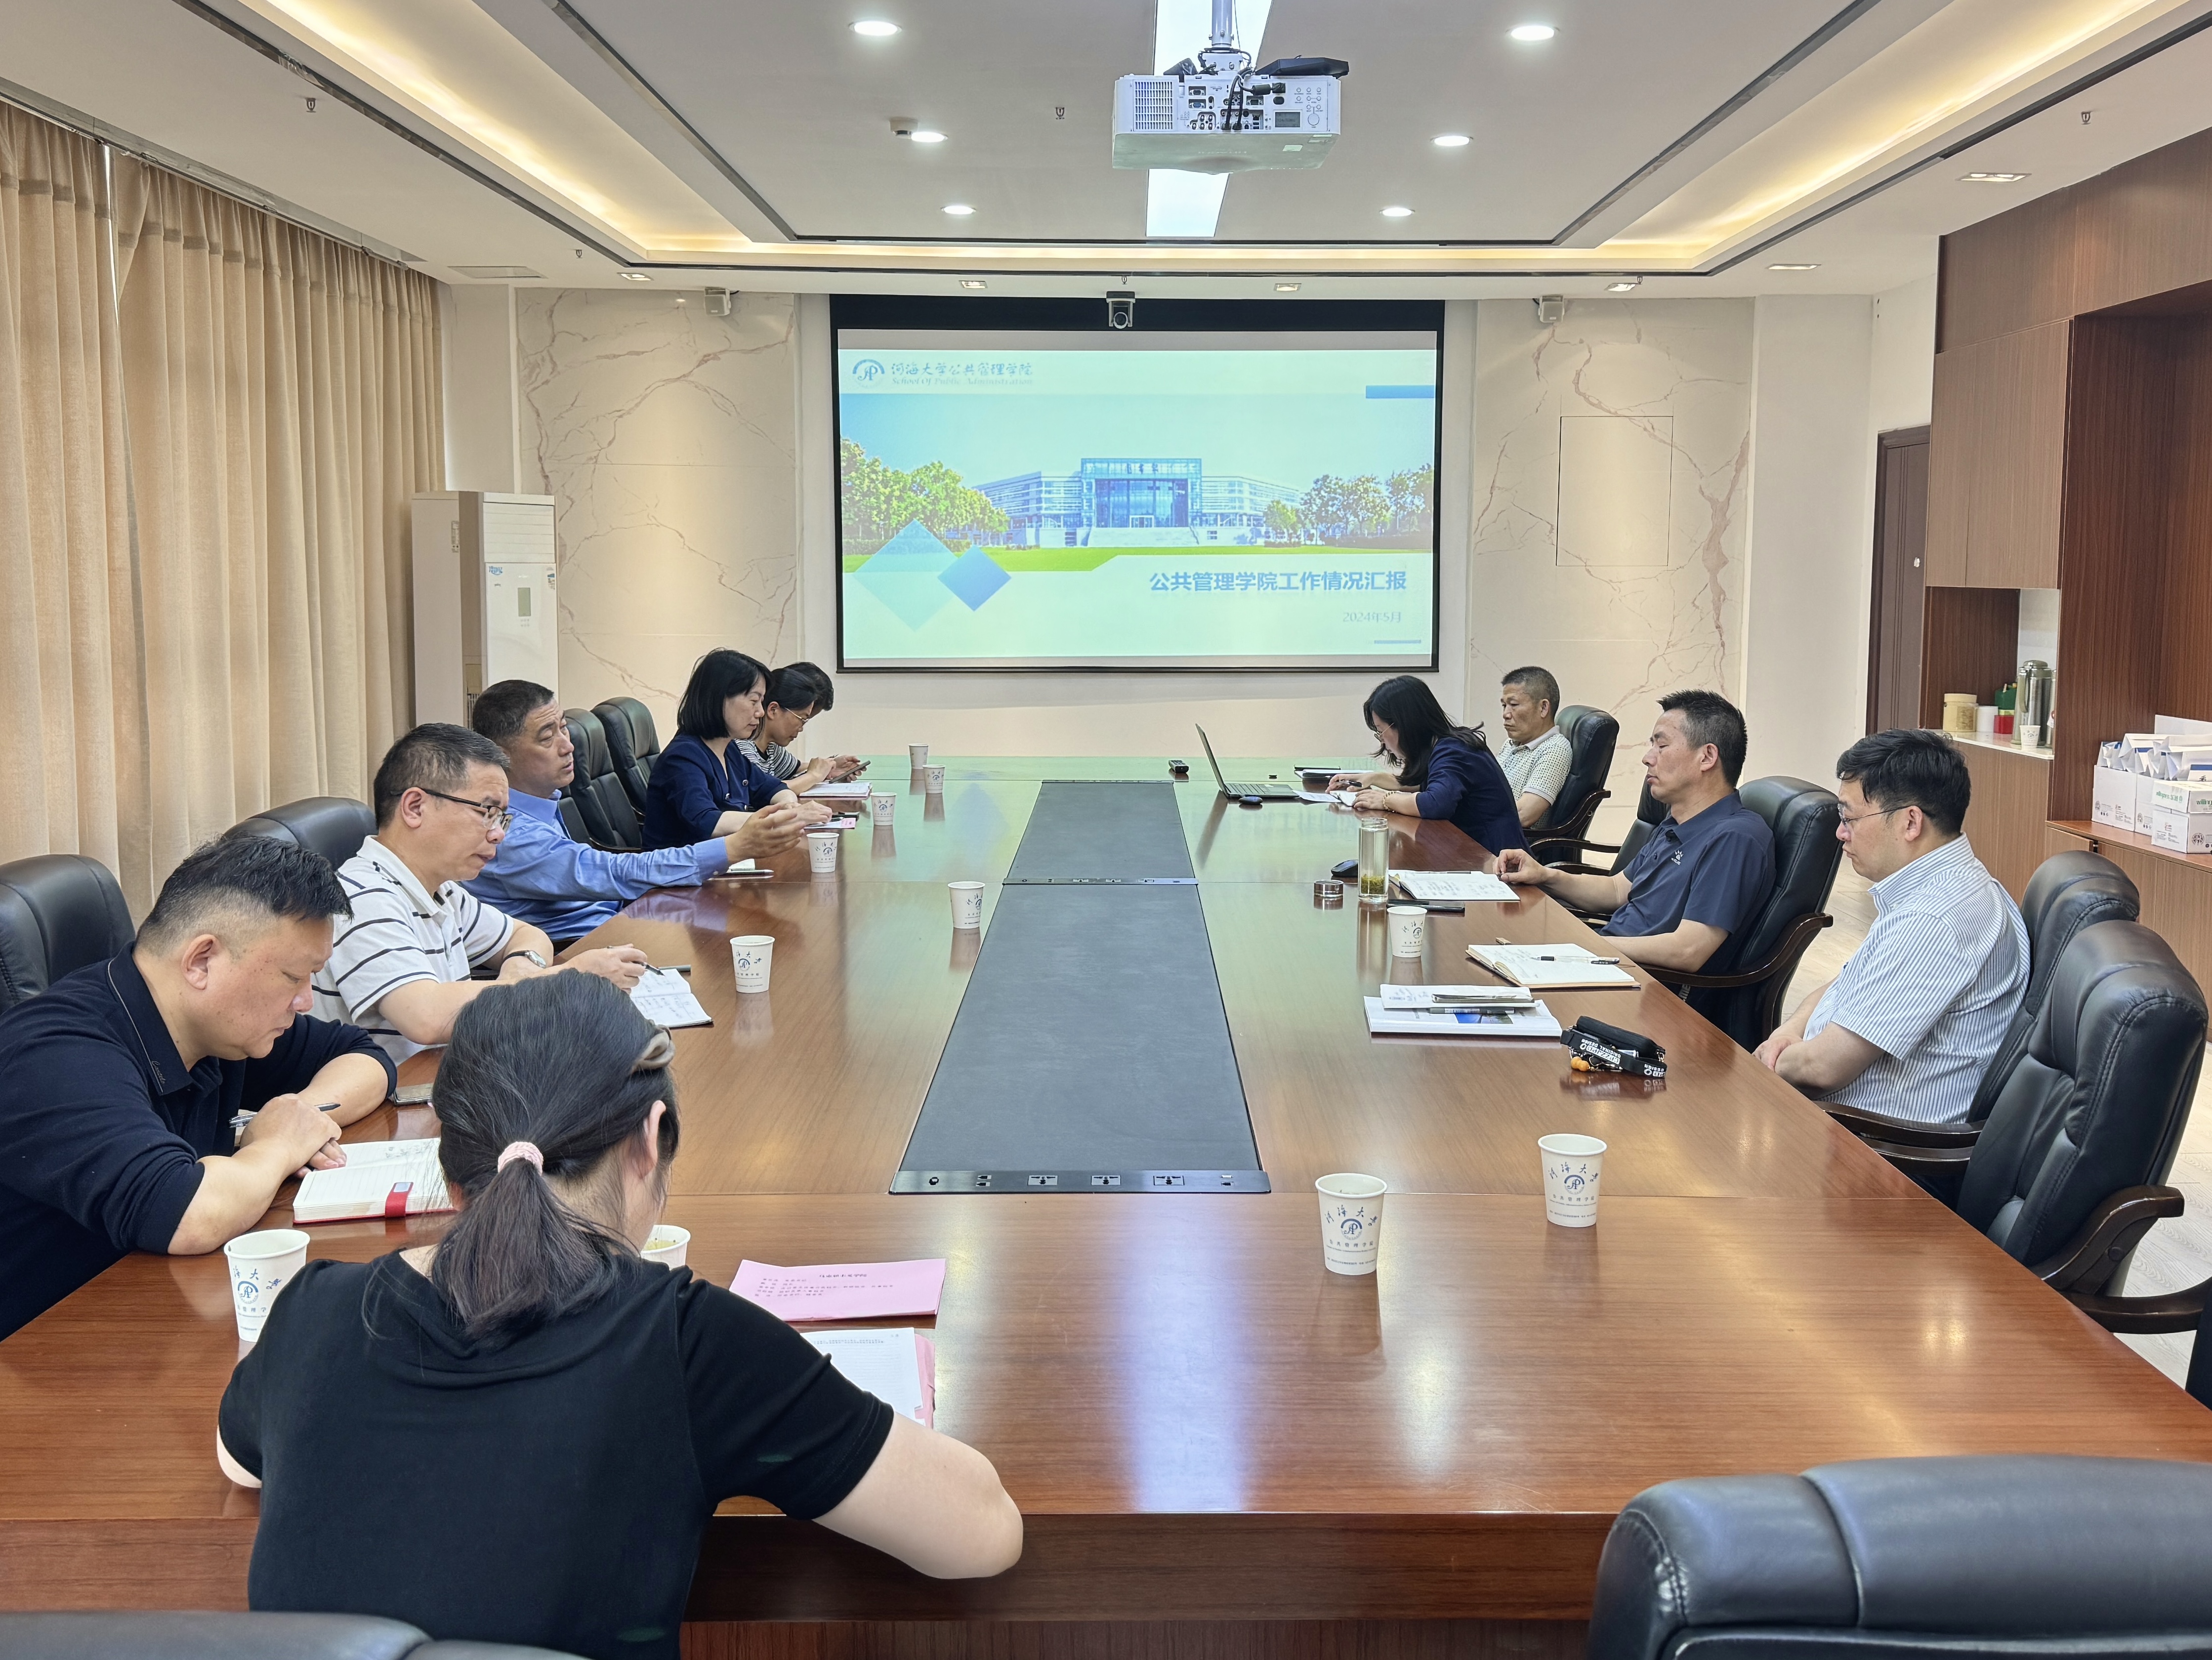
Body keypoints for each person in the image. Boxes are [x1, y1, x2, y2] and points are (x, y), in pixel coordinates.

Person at [218, 973, 1022, 1659]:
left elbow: (241, 1460)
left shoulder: (315, 1310)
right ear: (650, 1138)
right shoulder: (689, 1341)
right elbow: (981, 1536)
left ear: (451, 1169)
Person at [0, 837, 395, 1339]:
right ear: (202, 961)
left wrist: (301, 1117)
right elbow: (187, 1214)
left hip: (152, 1311)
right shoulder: (55, 1054)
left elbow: (365, 1058)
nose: (304, 1001)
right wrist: (278, 1146)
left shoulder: (217, 1026)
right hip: (43, 1353)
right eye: (293, 977)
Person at [313, 723, 647, 1065]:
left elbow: (527, 935)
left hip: (454, 1070)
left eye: (503, 818)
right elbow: (426, 1018)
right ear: (415, 807)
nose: (498, 835)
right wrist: (569, 979)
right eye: (487, 812)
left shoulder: (440, 889)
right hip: (402, 1092)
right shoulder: (363, 896)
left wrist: (521, 973)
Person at [1756, 729, 2026, 1123]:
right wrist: (1787, 1034)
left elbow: (1821, 1069)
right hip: (1836, 1120)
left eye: (1849, 818)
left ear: (1910, 822)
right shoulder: (1939, 886)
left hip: (1864, 1143)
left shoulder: (1934, 919)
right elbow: (1841, 985)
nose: (1840, 832)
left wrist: (1771, 1059)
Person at [465, 680, 802, 948]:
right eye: (547, 738)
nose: (568, 746)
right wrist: (734, 847)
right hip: (577, 950)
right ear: (500, 755)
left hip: (616, 921)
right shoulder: (506, 833)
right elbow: (607, 872)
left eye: (564, 728)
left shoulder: (539, 801)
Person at [1496, 690, 1774, 972]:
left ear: (1707, 757)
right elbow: (1618, 889)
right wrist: (1544, 875)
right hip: (1608, 962)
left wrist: (1583, 946)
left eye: (1661, 746)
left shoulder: (1735, 838)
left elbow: (1688, 950)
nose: (1647, 758)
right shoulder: (1676, 822)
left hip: (1642, 983)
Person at [643, 649, 833, 851]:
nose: (761, 712)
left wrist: (789, 804)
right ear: (719, 698)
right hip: (682, 867)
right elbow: (708, 821)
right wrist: (788, 816)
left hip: (724, 860)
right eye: (754, 701)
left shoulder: (730, 750)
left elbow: (771, 788)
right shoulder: (683, 757)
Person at [1328, 676, 1527, 857]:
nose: (1382, 741)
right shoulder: (1444, 744)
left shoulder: (1455, 751)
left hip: (1498, 861)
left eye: (1381, 731)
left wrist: (1386, 799)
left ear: (1404, 725)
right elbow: (1424, 783)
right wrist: (1375, 778)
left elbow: (1436, 804)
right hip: (1474, 853)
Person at [737, 662, 863, 791]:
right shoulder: (743, 749)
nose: (801, 728)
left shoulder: (771, 749)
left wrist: (831, 767)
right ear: (773, 710)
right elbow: (762, 792)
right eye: (802, 719)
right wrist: (814, 776)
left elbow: (795, 771)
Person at [1498, 665, 1573, 830]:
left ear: (1543, 708)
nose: (1506, 714)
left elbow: (1524, 815)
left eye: (1514, 704)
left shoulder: (1554, 749)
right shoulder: (1512, 743)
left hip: (1509, 842)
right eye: (1504, 706)